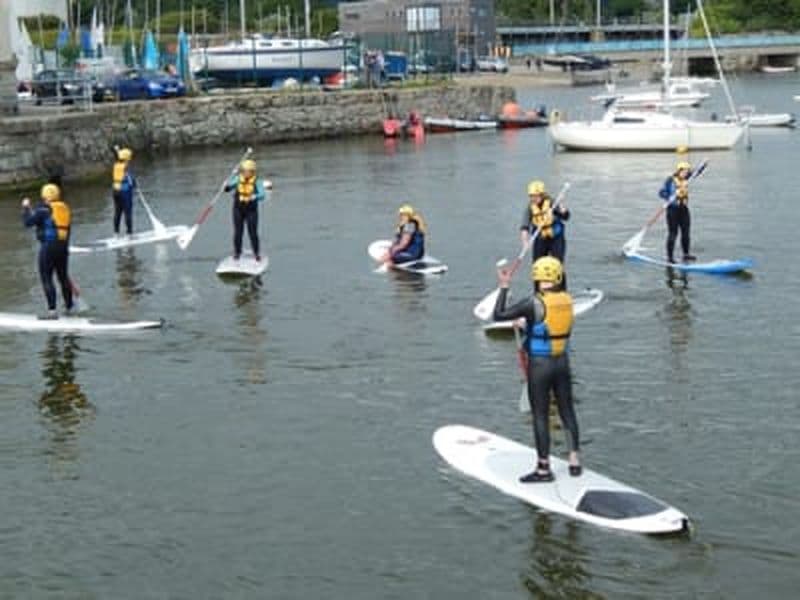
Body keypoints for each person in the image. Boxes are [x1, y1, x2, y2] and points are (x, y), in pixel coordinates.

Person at [493, 256, 581, 483]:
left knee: (540, 416)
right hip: (562, 362)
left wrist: (504, 287)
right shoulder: (568, 299)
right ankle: (574, 460)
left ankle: (543, 469)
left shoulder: (533, 302)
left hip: (540, 366)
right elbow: (550, 322)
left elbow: (499, 315)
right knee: (567, 410)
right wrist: (528, 324)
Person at [21, 183, 74, 319]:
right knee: (63, 278)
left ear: (45, 195)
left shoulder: (43, 210)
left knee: (46, 278)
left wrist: (26, 207)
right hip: (63, 247)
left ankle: (52, 312)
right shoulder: (65, 208)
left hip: (48, 247)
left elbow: (27, 222)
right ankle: (69, 308)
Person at [520, 180, 570, 286]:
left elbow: (566, 217)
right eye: (531, 196)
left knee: (557, 265)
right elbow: (524, 227)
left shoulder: (552, 203)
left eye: (535, 196)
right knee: (538, 267)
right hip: (540, 239)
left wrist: (562, 210)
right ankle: (538, 293)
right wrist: (525, 243)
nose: (533, 198)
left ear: (542, 195)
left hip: (556, 238)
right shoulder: (530, 207)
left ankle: (561, 291)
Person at [223, 159, 272, 261]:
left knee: (252, 232)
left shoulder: (257, 182)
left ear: (253, 172)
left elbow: (262, 195)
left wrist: (255, 196)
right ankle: (237, 253)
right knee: (238, 232)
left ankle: (256, 254)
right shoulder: (237, 179)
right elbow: (227, 189)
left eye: (249, 171)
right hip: (238, 209)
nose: (246, 173)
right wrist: (225, 186)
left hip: (251, 210)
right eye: (245, 171)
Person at [658, 160, 695, 264]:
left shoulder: (688, 179)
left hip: (684, 209)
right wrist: (669, 196)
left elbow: (697, 173)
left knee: (686, 233)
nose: (686, 173)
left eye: (687, 171)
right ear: (679, 171)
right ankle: (670, 257)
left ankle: (686, 254)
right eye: (684, 171)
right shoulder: (670, 180)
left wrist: (705, 163)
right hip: (672, 210)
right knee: (673, 233)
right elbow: (661, 193)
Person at [111, 147, 137, 235]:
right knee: (128, 213)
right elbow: (131, 181)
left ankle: (116, 233)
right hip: (124, 192)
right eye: (130, 158)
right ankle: (129, 234)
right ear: (127, 158)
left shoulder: (115, 165)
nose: (130, 160)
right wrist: (134, 185)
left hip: (115, 191)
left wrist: (117, 150)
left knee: (117, 212)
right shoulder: (127, 167)